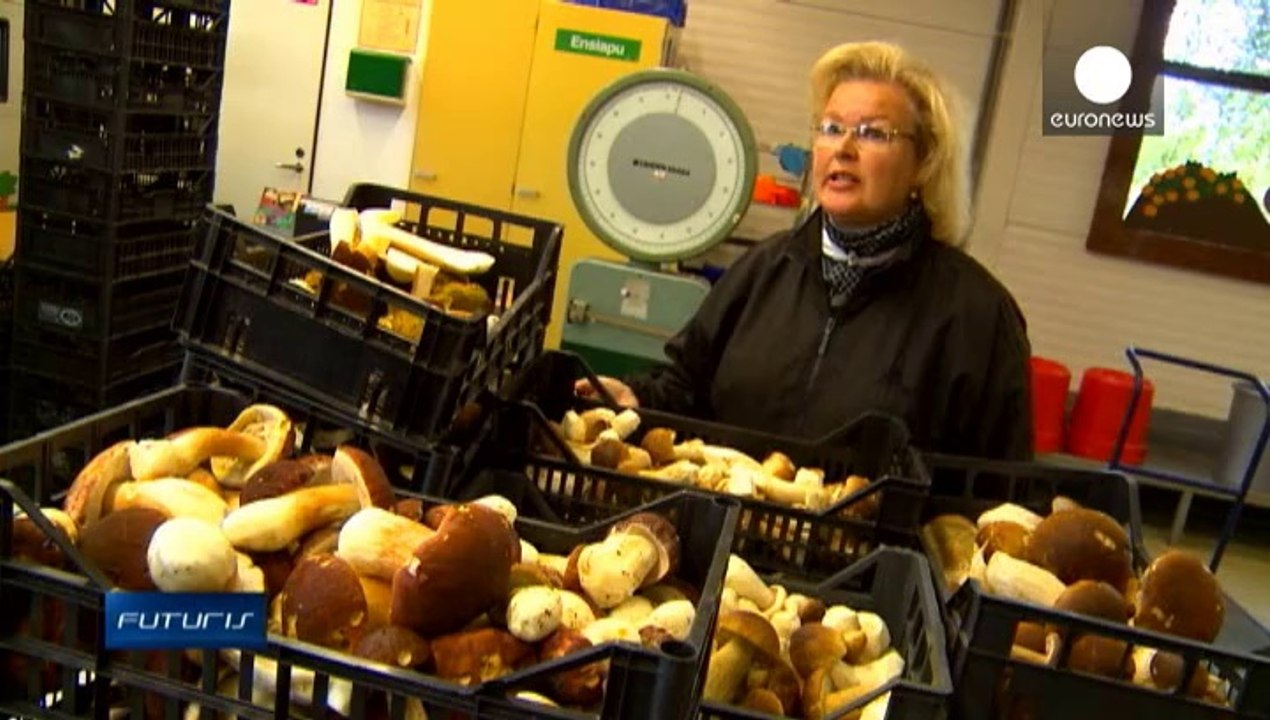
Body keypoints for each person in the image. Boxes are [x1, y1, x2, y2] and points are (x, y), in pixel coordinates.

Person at [576, 41, 1034, 461]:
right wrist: (636, 401)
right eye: (831, 128)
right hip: (727, 541)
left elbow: (997, 492)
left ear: (924, 162)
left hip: (878, 551)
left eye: (873, 133)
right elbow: (685, 390)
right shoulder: (762, 271)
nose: (844, 149)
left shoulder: (977, 316)